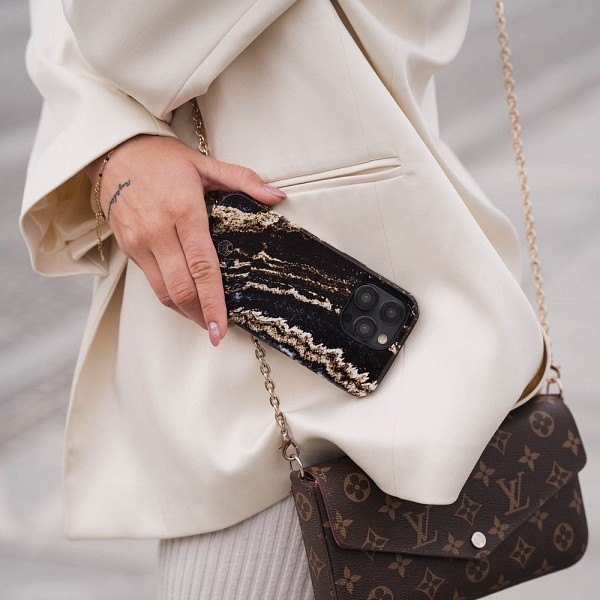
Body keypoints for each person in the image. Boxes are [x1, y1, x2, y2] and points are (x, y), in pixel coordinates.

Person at [22, 1, 549, 598]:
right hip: (230, 282)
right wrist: (116, 144)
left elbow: (120, 29)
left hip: (323, 269)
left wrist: (105, 124)